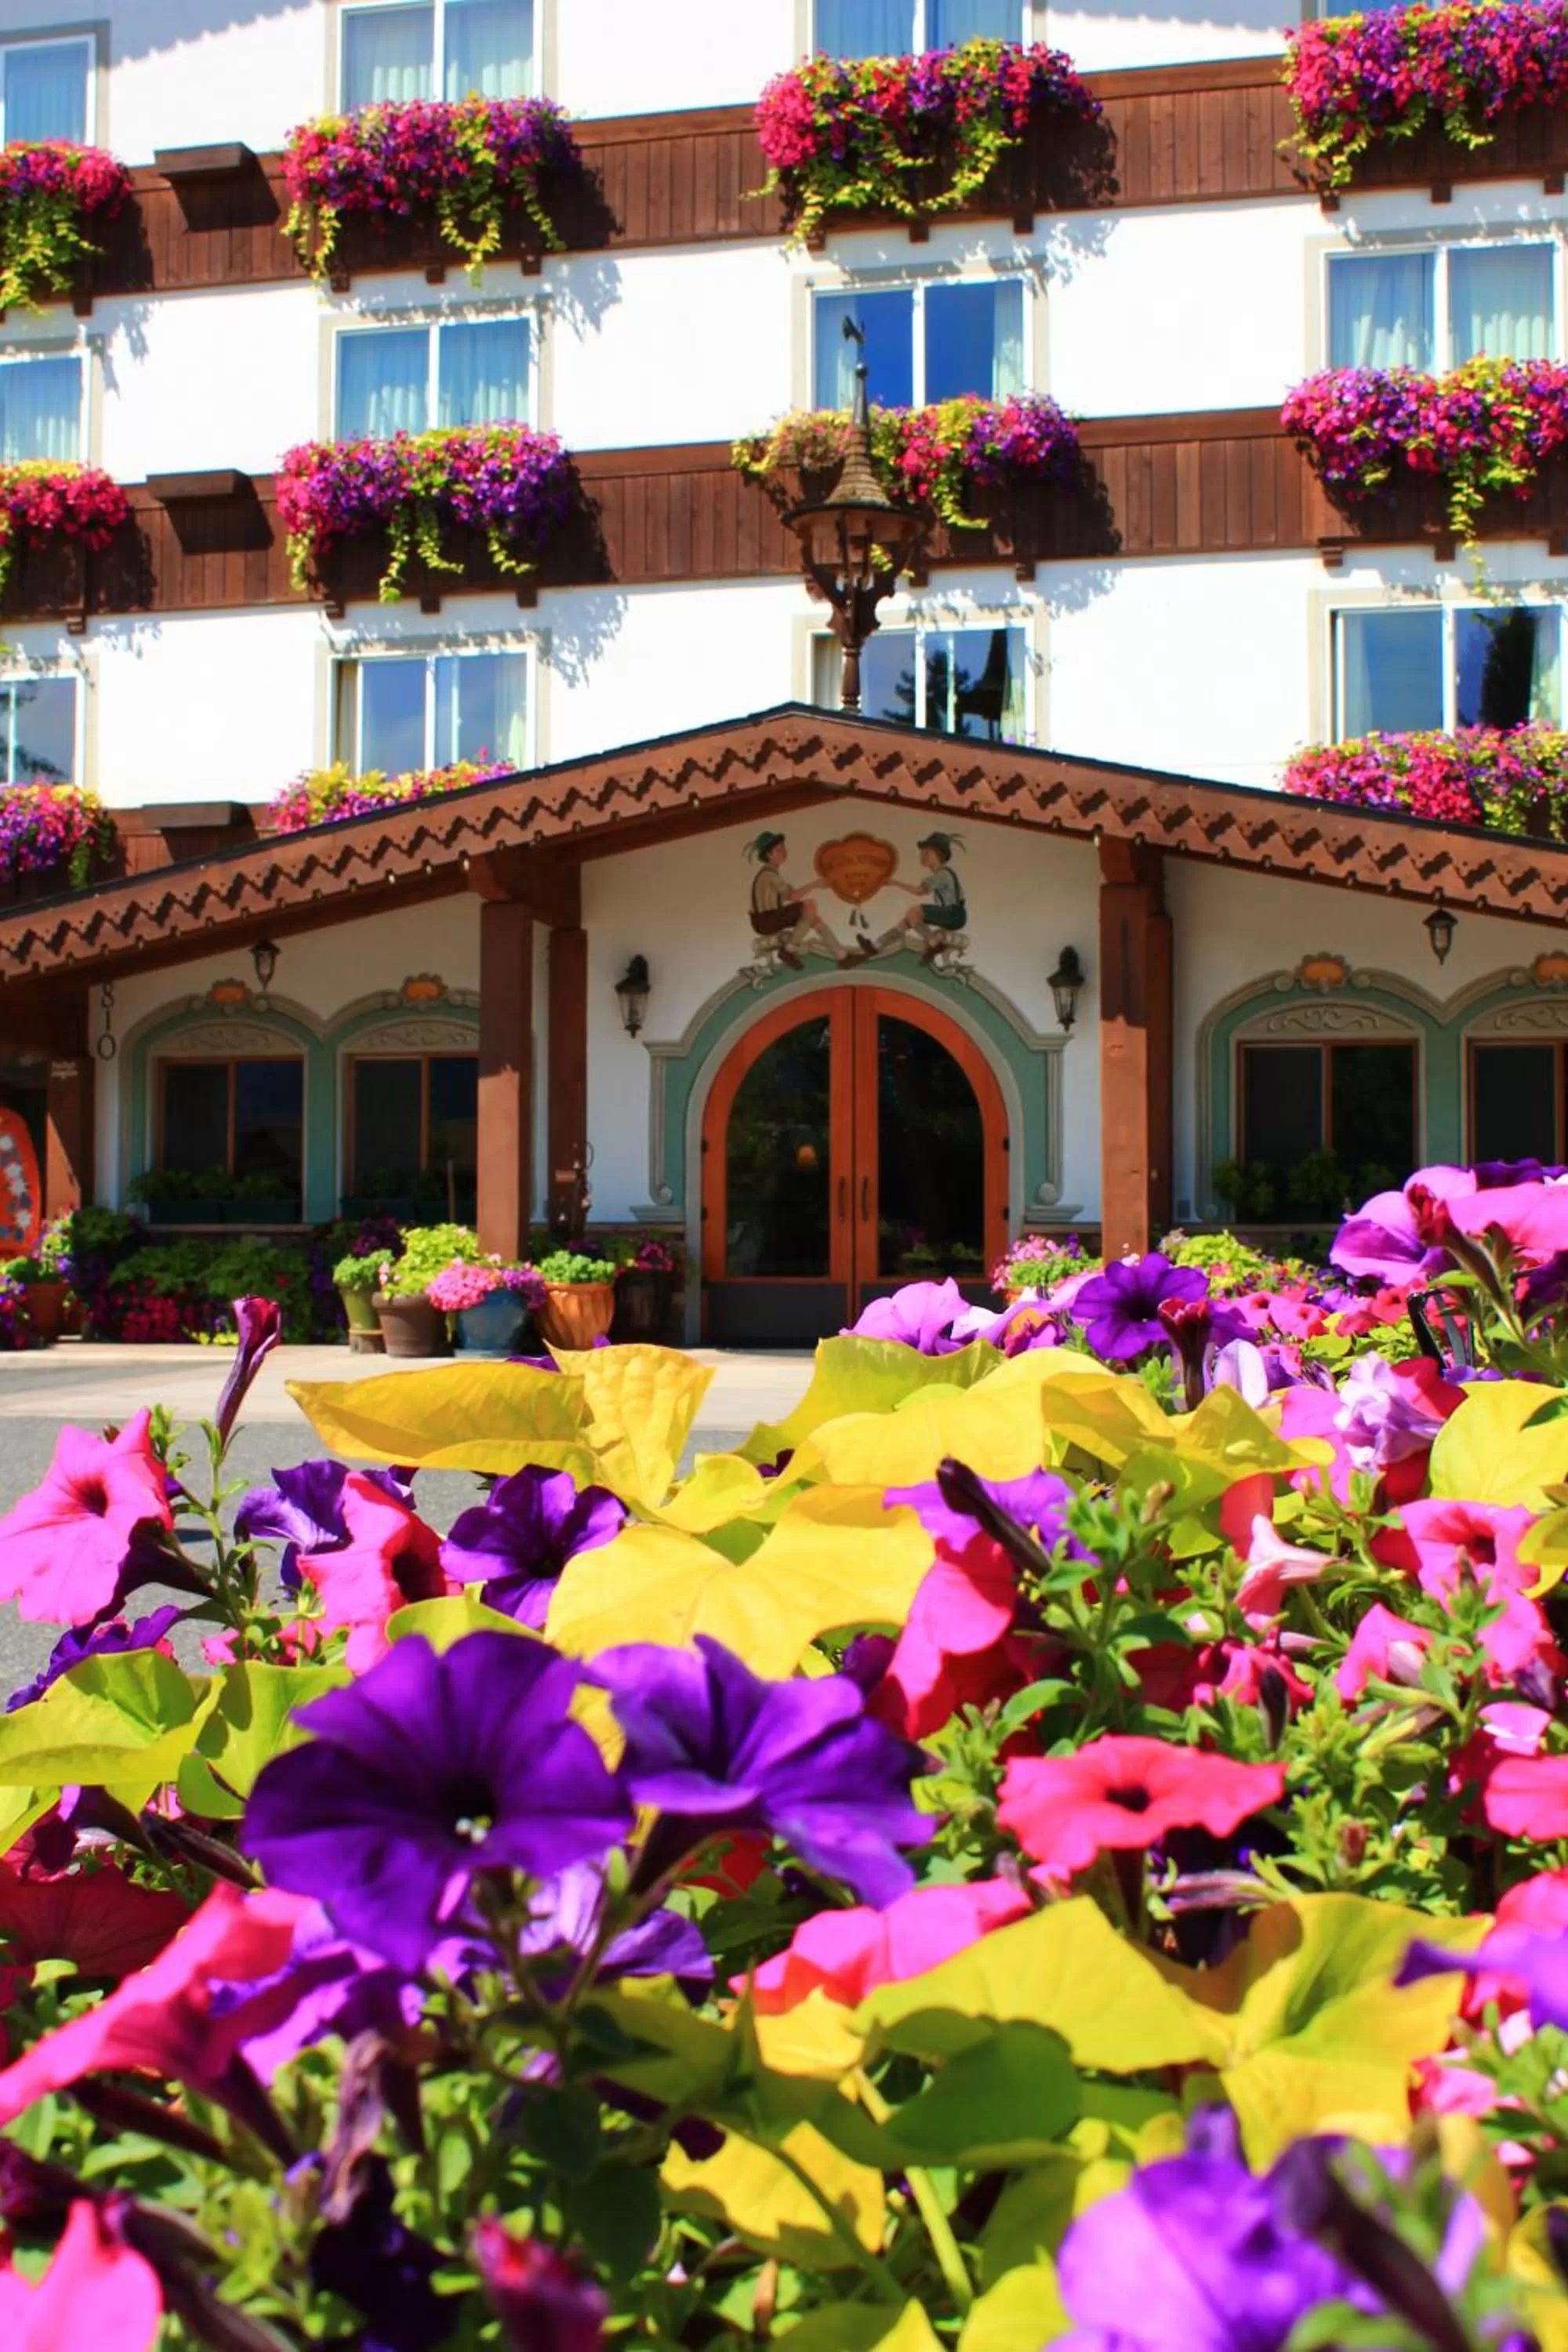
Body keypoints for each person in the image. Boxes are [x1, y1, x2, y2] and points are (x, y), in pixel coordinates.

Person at [861, 833, 969, 967]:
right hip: (953, 914)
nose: (923, 855)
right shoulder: (943, 874)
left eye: (927, 852)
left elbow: (919, 891)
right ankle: (877, 945)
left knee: (914, 912)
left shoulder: (943, 875)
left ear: (938, 855)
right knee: (907, 922)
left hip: (954, 914)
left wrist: (894, 883)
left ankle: (933, 942)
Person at [745, 832, 851, 968]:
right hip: (766, 919)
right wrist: (815, 884)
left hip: (766, 919)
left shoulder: (770, 874)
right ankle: (789, 950)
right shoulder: (769, 875)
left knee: (813, 918)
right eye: (779, 850)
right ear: (768, 855)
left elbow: (786, 896)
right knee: (809, 906)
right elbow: (793, 896)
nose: (784, 852)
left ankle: (842, 955)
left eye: (783, 848)